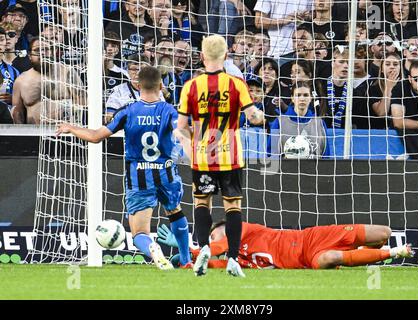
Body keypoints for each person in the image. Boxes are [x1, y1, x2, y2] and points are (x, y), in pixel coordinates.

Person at [55, 66, 192, 270]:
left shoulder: (127, 112)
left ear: (137, 86)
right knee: (175, 211)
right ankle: (185, 259)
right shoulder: (170, 111)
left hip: (138, 177)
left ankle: (154, 249)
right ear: (161, 86)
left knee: (139, 234)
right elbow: (183, 134)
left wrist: (72, 128)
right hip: (167, 173)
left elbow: (95, 137)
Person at [175, 35, 265, 277]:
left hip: (203, 155)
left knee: (202, 203)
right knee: (232, 205)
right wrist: (260, 117)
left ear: (202, 57)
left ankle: (204, 246)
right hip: (230, 155)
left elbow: (180, 125)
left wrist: (190, 140)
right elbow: (254, 116)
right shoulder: (236, 84)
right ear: (226, 56)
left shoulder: (191, 87)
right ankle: (233, 259)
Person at [157, 220, 414, 270]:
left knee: (384, 232)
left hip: (312, 237)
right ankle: (392, 253)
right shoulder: (238, 260)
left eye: (216, 235)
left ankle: (368, 251)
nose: (216, 240)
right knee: (327, 260)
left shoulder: (243, 229)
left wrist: (191, 248)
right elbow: (209, 263)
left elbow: (217, 248)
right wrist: (183, 254)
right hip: (306, 260)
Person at [12, 38, 84, 124]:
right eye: (37, 50)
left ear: (52, 52)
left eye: (45, 49)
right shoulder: (21, 81)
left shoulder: (67, 72)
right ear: (30, 56)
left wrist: (65, 108)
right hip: (33, 133)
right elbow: (17, 113)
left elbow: (83, 103)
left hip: (64, 133)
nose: (42, 53)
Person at [270, 81, 327, 158]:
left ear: (311, 98)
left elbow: (326, 155)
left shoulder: (320, 123)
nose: (302, 99)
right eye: (298, 95)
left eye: (306, 95)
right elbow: (272, 153)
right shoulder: (279, 122)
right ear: (292, 98)